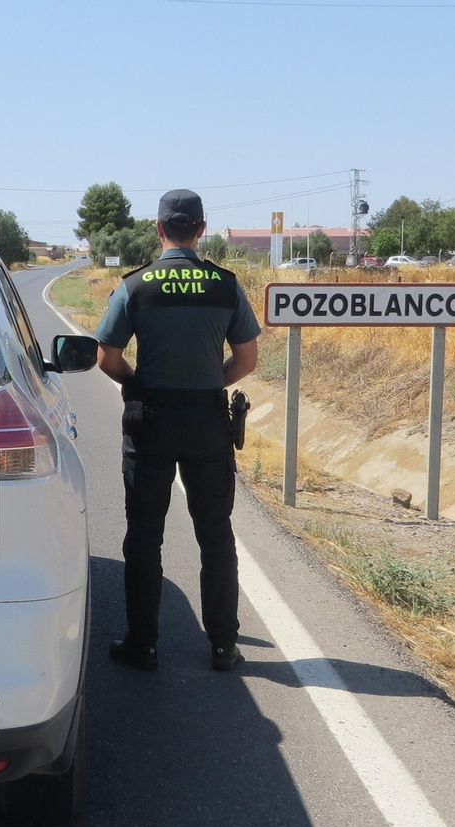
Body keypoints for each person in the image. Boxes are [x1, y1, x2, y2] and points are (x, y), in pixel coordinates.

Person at [93, 189, 261, 673]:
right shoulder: (225, 285)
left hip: (150, 426)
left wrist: (140, 384)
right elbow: (247, 360)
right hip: (208, 424)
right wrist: (210, 385)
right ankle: (224, 646)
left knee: (144, 536)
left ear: (159, 228)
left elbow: (108, 357)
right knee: (215, 534)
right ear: (202, 229)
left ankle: (143, 645)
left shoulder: (135, 287)